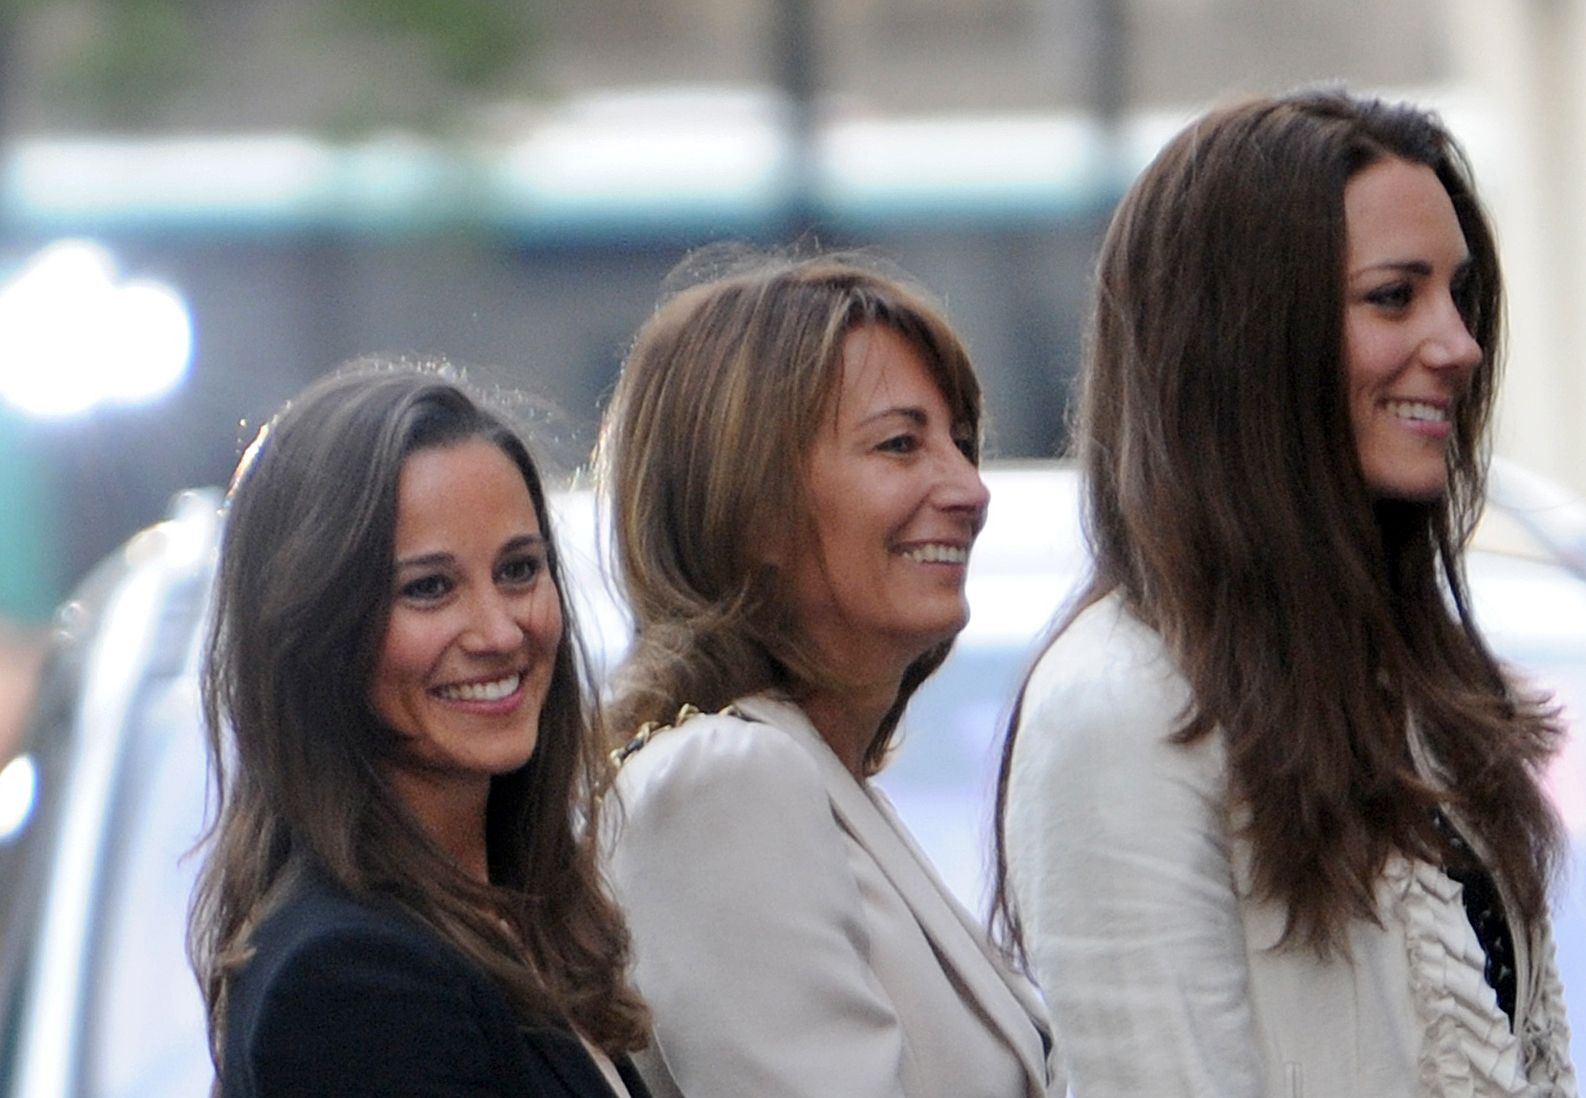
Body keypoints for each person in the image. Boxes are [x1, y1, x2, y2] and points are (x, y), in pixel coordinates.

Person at [993, 89, 1578, 1096]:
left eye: (1457, 295)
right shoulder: (1120, 710)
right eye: (1394, 296)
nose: (1456, 345)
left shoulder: (1402, 686)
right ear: (1247, 342)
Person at [597, 250, 1063, 1098]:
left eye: (960, 444)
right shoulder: (724, 784)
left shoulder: (809, 775)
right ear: (750, 502)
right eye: (900, 444)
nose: (968, 489)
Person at [188, 364, 652, 1098]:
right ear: (315, 631)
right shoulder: (348, 977)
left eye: (520, 570)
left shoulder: (509, 917)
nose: (501, 631)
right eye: (429, 588)